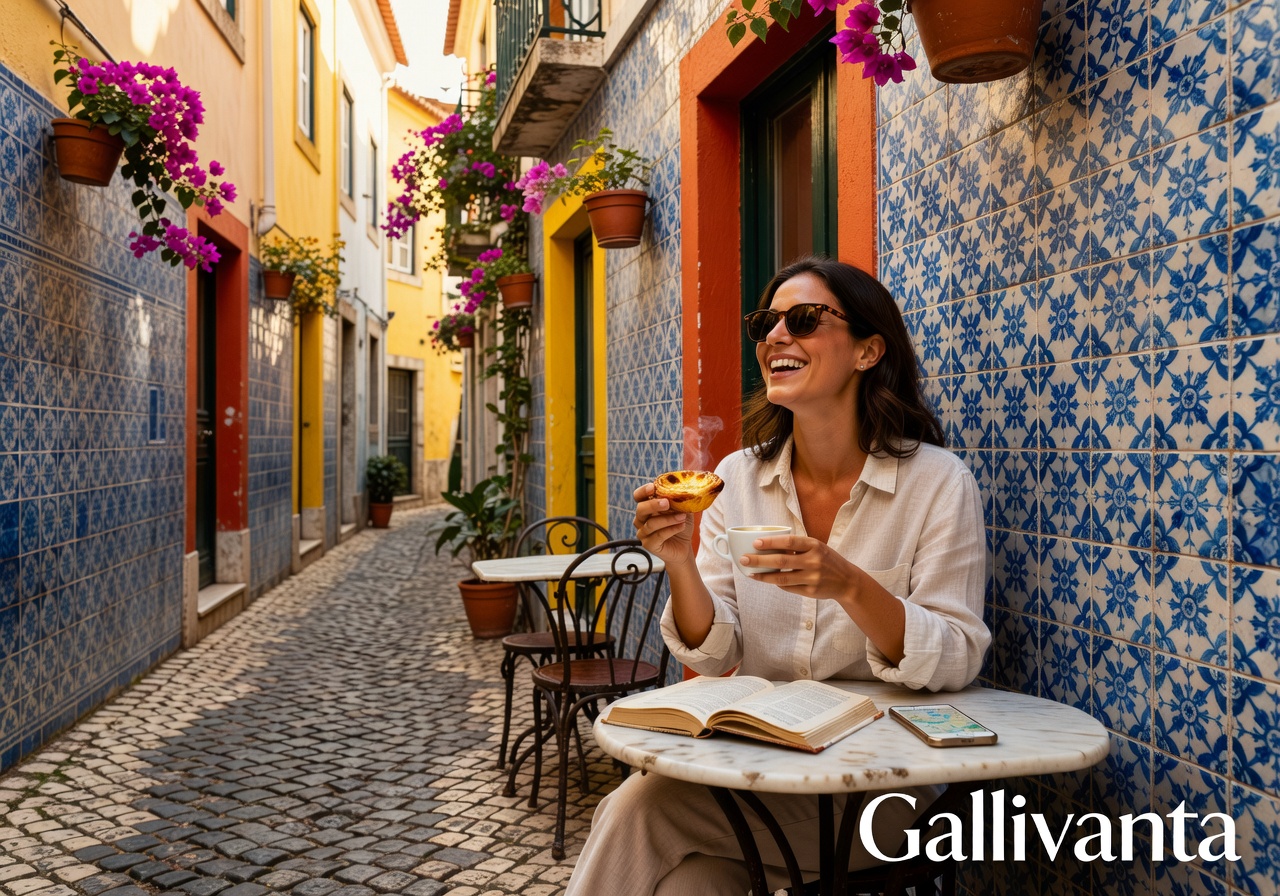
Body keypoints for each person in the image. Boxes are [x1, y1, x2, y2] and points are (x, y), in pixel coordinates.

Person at [564, 257, 990, 896]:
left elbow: (956, 656)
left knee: (639, 810)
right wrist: (678, 560)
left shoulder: (936, 483)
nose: (774, 337)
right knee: (694, 887)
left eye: (805, 319)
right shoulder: (736, 479)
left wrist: (848, 583)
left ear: (868, 350)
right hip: (761, 766)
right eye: (766, 322)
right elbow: (716, 651)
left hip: (885, 786)